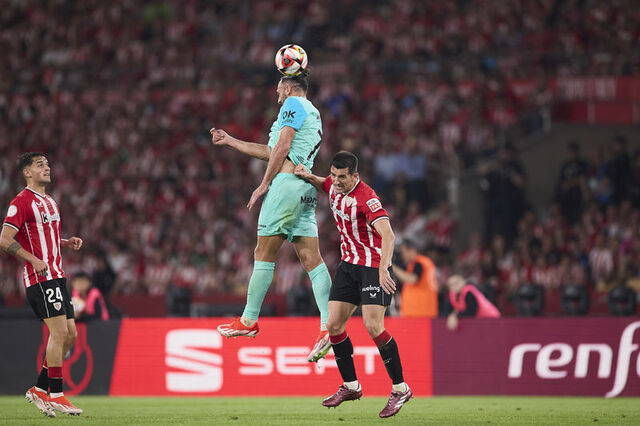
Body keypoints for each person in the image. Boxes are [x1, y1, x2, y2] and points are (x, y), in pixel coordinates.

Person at [210, 71, 332, 362]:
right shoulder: (312, 112)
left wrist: (265, 183)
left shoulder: (292, 104)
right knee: (312, 259)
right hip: (304, 188)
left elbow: (283, 146)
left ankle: (249, 320)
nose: (277, 93)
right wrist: (231, 141)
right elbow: (272, 150)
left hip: (285, 186)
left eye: (279, 87)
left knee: (263, 253)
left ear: (288, 87)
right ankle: (329, 326)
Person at [295, 151, 412, 418]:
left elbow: (389, 235)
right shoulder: (333, 186)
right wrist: (308, 176)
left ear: (355, 176)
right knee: (334, 325)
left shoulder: (366, 198)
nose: (336, 181)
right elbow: (324, 183)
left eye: (342, 177)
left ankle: (400, 388)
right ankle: (351, 386)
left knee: (373, 326)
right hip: (348, 266)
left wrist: (384, 268)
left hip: (373, 267)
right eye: (334, 175)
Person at [0, 153, 83, 417]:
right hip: (40, 278)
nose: (47, 167)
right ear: (27, 172)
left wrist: (65, 242)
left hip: (57, 275)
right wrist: (32, 259)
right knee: (59, 333)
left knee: (71, 335)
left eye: (47, 164)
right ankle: (56, 395)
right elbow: (4, 239)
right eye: (40, 165)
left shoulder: (50, 201)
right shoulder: (21, 201)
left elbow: (44, 236)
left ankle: (38, 389)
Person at [392, 239, 438, 318]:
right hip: (425, 309)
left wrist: (393, 268)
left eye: (402, 252)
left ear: (412, 250)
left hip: (418, 311)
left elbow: (412, 279)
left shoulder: (419, 262)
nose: (402, 256)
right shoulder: (426, 262)